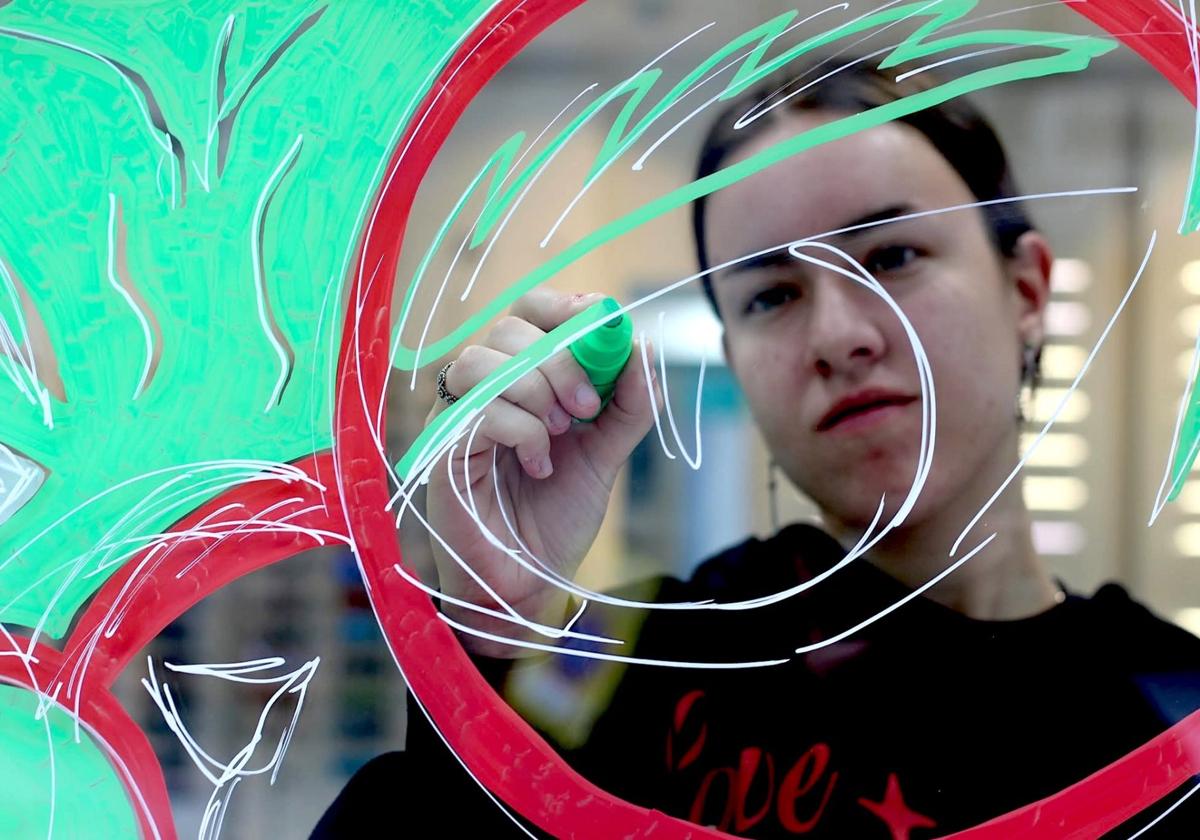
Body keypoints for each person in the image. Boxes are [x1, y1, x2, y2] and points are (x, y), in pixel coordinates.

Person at [313, 60, 1200, 838]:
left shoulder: (1175, 715)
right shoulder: (622, 654)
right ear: (737, 357)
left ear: (1028, 291)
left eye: (893, 256)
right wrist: (493, 631)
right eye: (772, 295)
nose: (839, 336)